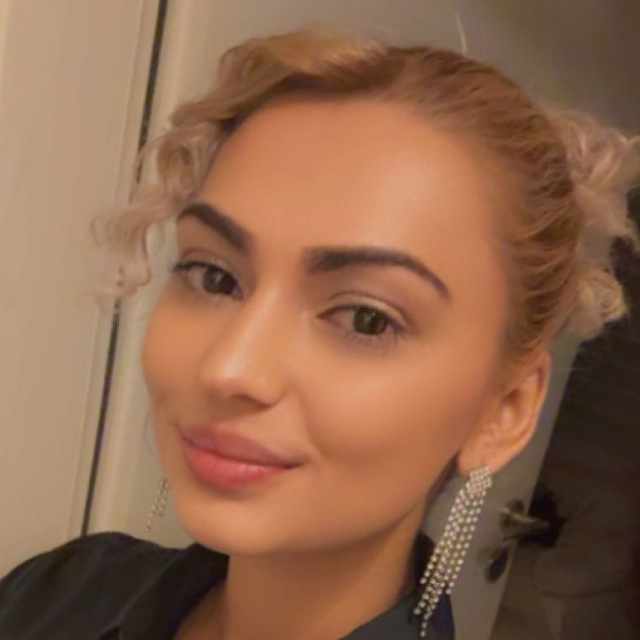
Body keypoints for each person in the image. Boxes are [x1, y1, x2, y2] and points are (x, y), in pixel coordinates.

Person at [0, 25, 638, 640]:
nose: (229, 367)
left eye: (366, 318)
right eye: (214, 277)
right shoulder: (67, 587)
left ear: (505, 409)